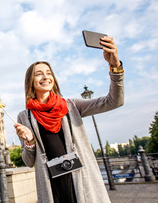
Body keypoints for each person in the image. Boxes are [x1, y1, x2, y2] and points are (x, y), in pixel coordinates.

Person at [14, 36, 124, 203]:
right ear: (31, 81)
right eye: (39, 74)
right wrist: (29, 141)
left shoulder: (71, 105)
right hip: (52, 186)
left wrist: (115, 67)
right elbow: (29, 162)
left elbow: (114, 101)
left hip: (81, 180)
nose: (45, 77)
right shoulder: (25, 116)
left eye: (48, 73)